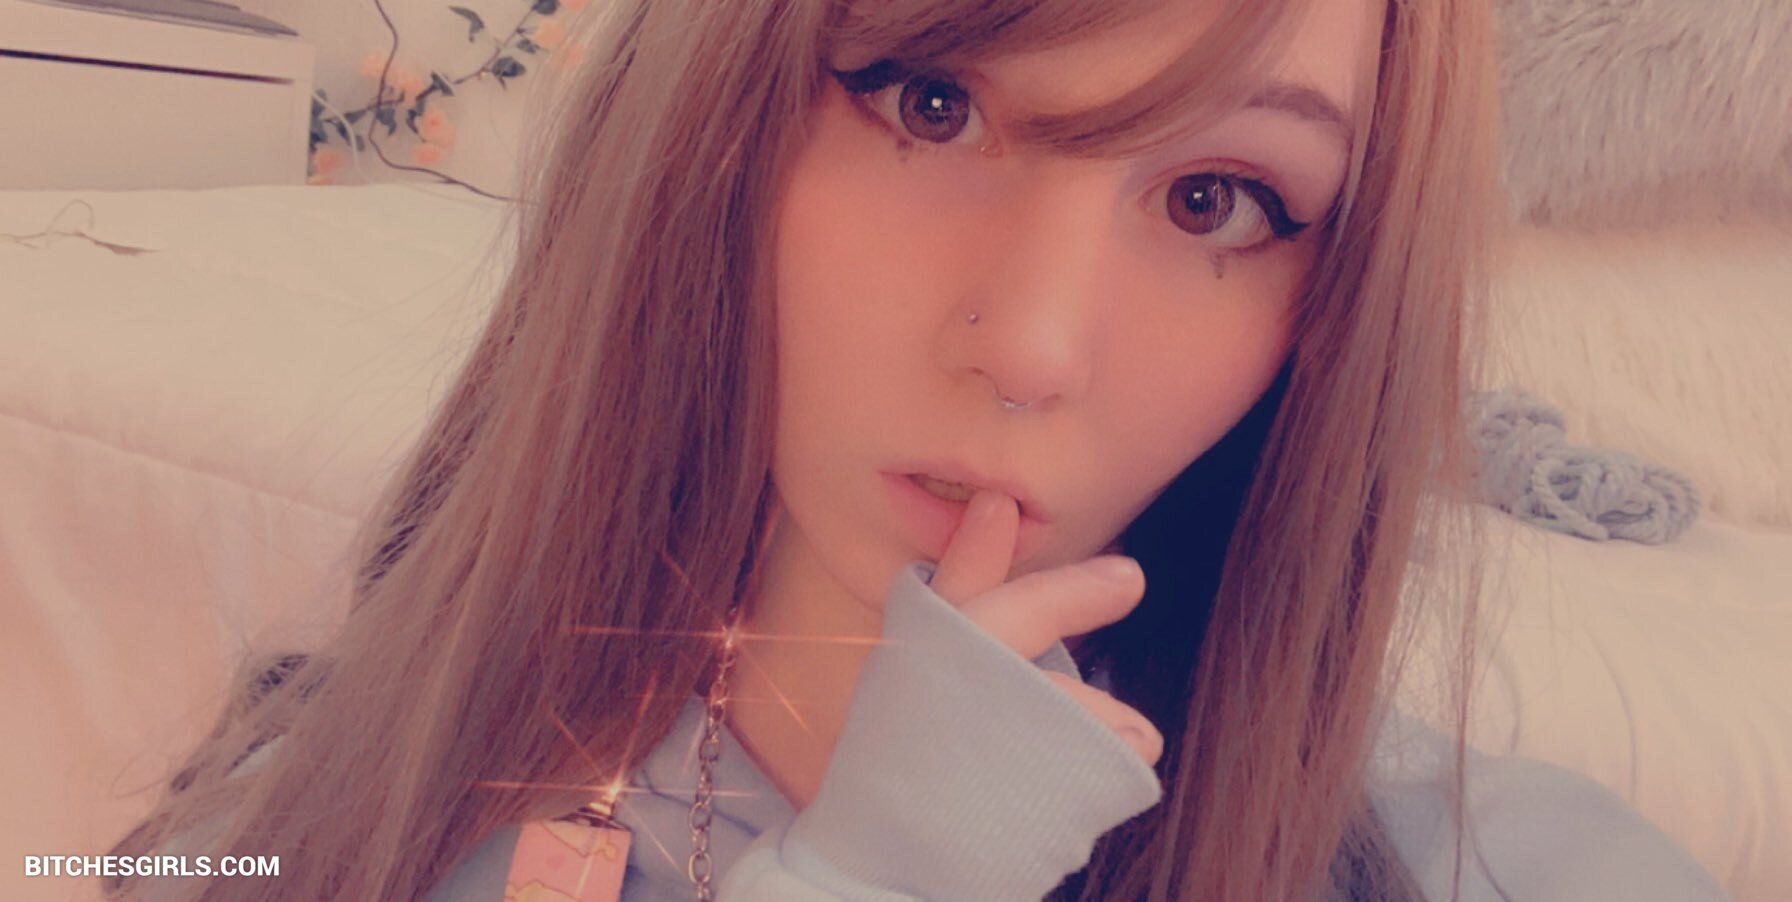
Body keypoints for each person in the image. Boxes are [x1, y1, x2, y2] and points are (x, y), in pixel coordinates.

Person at [105, 0, 1734, 899]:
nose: (1032, 345)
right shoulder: (330, 801)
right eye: (932, 105)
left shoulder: (1494, 858)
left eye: (1214, 199)